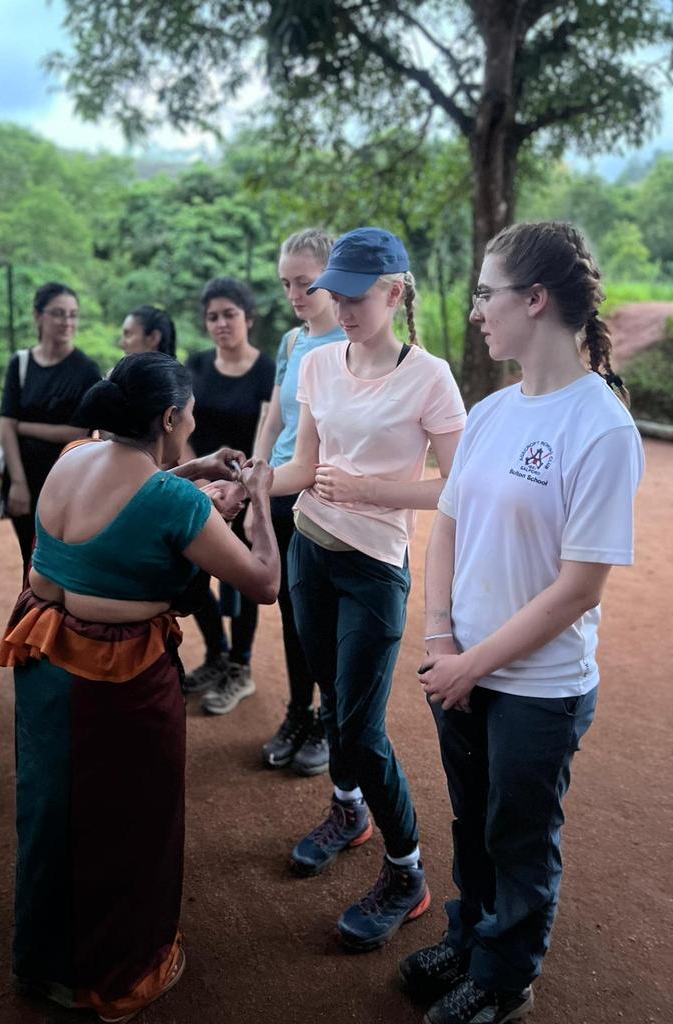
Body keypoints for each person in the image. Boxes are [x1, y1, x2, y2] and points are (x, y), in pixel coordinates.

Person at [401, 222, 644, 1024]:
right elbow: (452, 525)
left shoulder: (600, 425)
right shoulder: (497, 410)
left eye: (486, 293)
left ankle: (505, 980)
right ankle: (471, 939)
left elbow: (579, 589)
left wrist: (473, 666)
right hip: (460, 664)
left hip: (538, 688)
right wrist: (442, 639)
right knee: (472, 819)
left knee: (519, 835)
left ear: (534, 300)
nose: (477, 311)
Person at [0, 352, 279, 1024]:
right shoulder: (173, 503)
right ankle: (114, 976)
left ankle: (44, 964)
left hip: (44, 656)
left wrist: (192, 471)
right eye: (190, 419)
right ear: (172, 417)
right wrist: (257, 501)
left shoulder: (76, 456)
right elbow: (263, 582)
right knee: (127, 823)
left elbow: (123, 492)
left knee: (52, 810)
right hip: (115, 684)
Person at [270, 227, 466, 951]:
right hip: (309, 552)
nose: (340, 307)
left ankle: (406, 870)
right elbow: (304, 468)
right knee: (333, 701)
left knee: (361, 726)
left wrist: (370, 490)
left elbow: (460, 485)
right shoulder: (318, 366)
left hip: (375, 568)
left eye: (355, 296)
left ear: (394, 292)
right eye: (334, 294)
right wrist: (254, 481)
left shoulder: (431, 377)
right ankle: (347, 809)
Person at [250, 228, 346, 775]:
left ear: (334, 280)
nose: (294, 295)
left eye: (305, 283)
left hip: (328, 501)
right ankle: (297, 711)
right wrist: (257, 476)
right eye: (286, 283)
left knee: (324, 618)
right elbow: (274, 415)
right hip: (282, 494)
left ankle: (330, 724)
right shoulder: (292, 343)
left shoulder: (353, 343)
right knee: (291, 612)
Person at [183, 277, 275, 714]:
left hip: (242, 494)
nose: (221, 323)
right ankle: (217, 655)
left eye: (230, 315)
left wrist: (242, 491)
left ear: (249, 318)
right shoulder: (196, 365)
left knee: (238, 579)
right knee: (193, 577)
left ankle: (240, 668)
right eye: (213, 317)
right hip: (200, 491)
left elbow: (268, 436)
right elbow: (179, 428)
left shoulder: (266, 371)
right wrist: (199, 481)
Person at [0, 282, 102, 575]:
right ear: (38, 316)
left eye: (73, 315)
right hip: (24, 481)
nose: (67, 322)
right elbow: (5, 424)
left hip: (68, 484)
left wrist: (26, 427)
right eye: (58, 313)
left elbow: (79, 433)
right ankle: (31, 621)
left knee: (58, 565)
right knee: (27, 561)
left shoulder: (86, 370)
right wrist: (17, 483)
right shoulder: (20, 364)